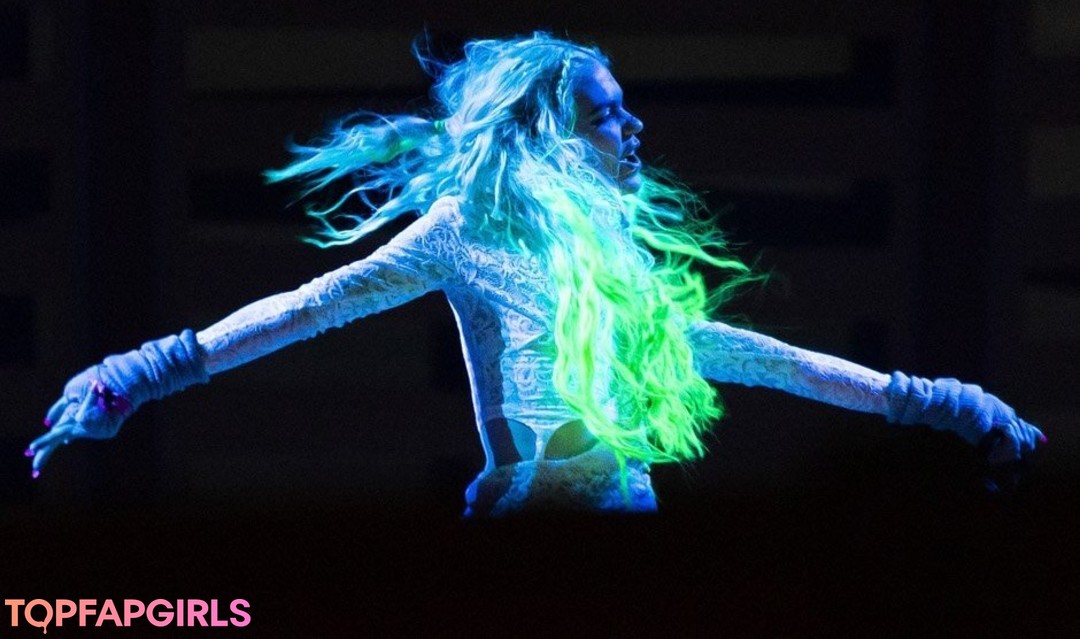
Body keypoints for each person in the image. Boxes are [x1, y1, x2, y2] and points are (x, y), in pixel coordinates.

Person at [26, 33, 1045, 518]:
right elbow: (317, 303)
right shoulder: (467, 228)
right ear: (552, 133)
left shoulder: (610, 251)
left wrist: (938, 403)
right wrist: (140, 372)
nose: (633, 125)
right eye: (606, 112)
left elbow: (733, 352)